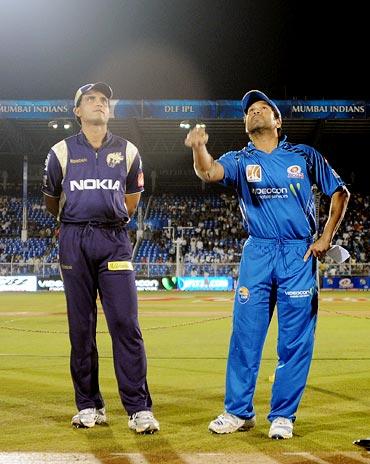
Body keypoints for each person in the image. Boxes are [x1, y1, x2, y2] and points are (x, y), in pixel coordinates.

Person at [185, 90, 350, 439]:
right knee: (245, 336)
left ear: (278, 121)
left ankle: (283, 416)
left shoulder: (304, 155)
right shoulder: (240, 159)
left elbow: (340, 192)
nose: (255, 113)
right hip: (258, 253)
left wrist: (325, 237)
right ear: (245, 124)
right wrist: (199, 148)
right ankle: (238, 412)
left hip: (297, 254)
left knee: (295, 341)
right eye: (250, 111)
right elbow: (210, 172)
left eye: (263, 109)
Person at [42, 82, 159, 433]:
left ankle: (138, 408)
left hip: (114, 239)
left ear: (110, 110)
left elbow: (131, 201)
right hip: (74, 239)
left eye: (103, 100)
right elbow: (52, 201)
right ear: (77, 111)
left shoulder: (128, 150)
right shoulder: (60, 151)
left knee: (125, 324)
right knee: (81, 329)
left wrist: (106, 217)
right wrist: (75, 220)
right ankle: (89, 405)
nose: (98, 104)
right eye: (90, 99)